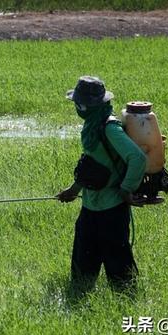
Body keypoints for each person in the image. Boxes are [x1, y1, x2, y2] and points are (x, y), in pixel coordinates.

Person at [55, 76, 147, 297]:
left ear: (90, 105)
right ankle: (79, 296)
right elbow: (92, 166)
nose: (77, 107)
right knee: (82, 264)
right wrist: (74, 189)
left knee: (119, 266)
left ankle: (127, 301)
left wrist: (126, 189)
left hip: (112, 208)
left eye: (80, 103)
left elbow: (137, 158)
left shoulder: (109, 128)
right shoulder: (92, 126)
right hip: (90, 206)